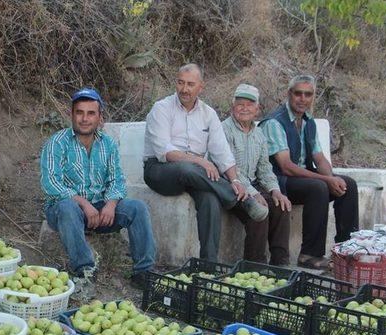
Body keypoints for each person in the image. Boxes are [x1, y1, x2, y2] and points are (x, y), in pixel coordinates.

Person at [40, 88, 156, 300]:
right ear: (72, 115)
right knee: (68, 207)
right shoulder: (58, 142)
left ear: (100, 117)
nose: (85, 119)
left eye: (91, 113)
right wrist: (83, 203)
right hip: (64, 209)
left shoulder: (107, 144)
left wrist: (111, 204)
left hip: (100, 207)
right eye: (79, 112)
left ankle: (144, 273)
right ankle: (85, 271)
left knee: (137, 208)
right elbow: (51, 183)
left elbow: (117, 180)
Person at [144, 63, 267, 262]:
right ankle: (238, 201)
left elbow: (222, 152)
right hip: (160, 171)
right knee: (187, 168)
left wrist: (236, 181)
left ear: (201, 87)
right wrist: (200, 161)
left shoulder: (208, 114)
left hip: (194, 175)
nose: (184, 89)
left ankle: (208, 264)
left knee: (210, 199)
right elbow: (163, 151)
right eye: (180, 83)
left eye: (190, 84)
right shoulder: (162, 108)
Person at [259, 74, 359, 269]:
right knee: (318, 187)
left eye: (308, 94)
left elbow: (319, 158)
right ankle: (309, 255)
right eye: (298, 93)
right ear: (289, 94)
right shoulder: (275, 122)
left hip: (301, 178)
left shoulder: (308, 122)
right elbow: (286, 166)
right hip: (279, 181)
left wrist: (332, 178)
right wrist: (325, 180)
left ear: (313, 96)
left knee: (348, 185)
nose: (302, 99)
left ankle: (346, 250)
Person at [222, 84, 292, 265]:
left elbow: (265, 168)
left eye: (249, 104)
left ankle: (280, 263)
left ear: (257, 109)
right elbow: (229, 167)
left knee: (280, 204)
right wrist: (254, 193)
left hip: (252, 183)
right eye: (240, 104)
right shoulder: (224, 130)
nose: (244, 108)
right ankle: (254, 266)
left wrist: (275, 190)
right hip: (229, 184)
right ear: (232, 106)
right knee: (259, 210)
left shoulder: (259, 133)